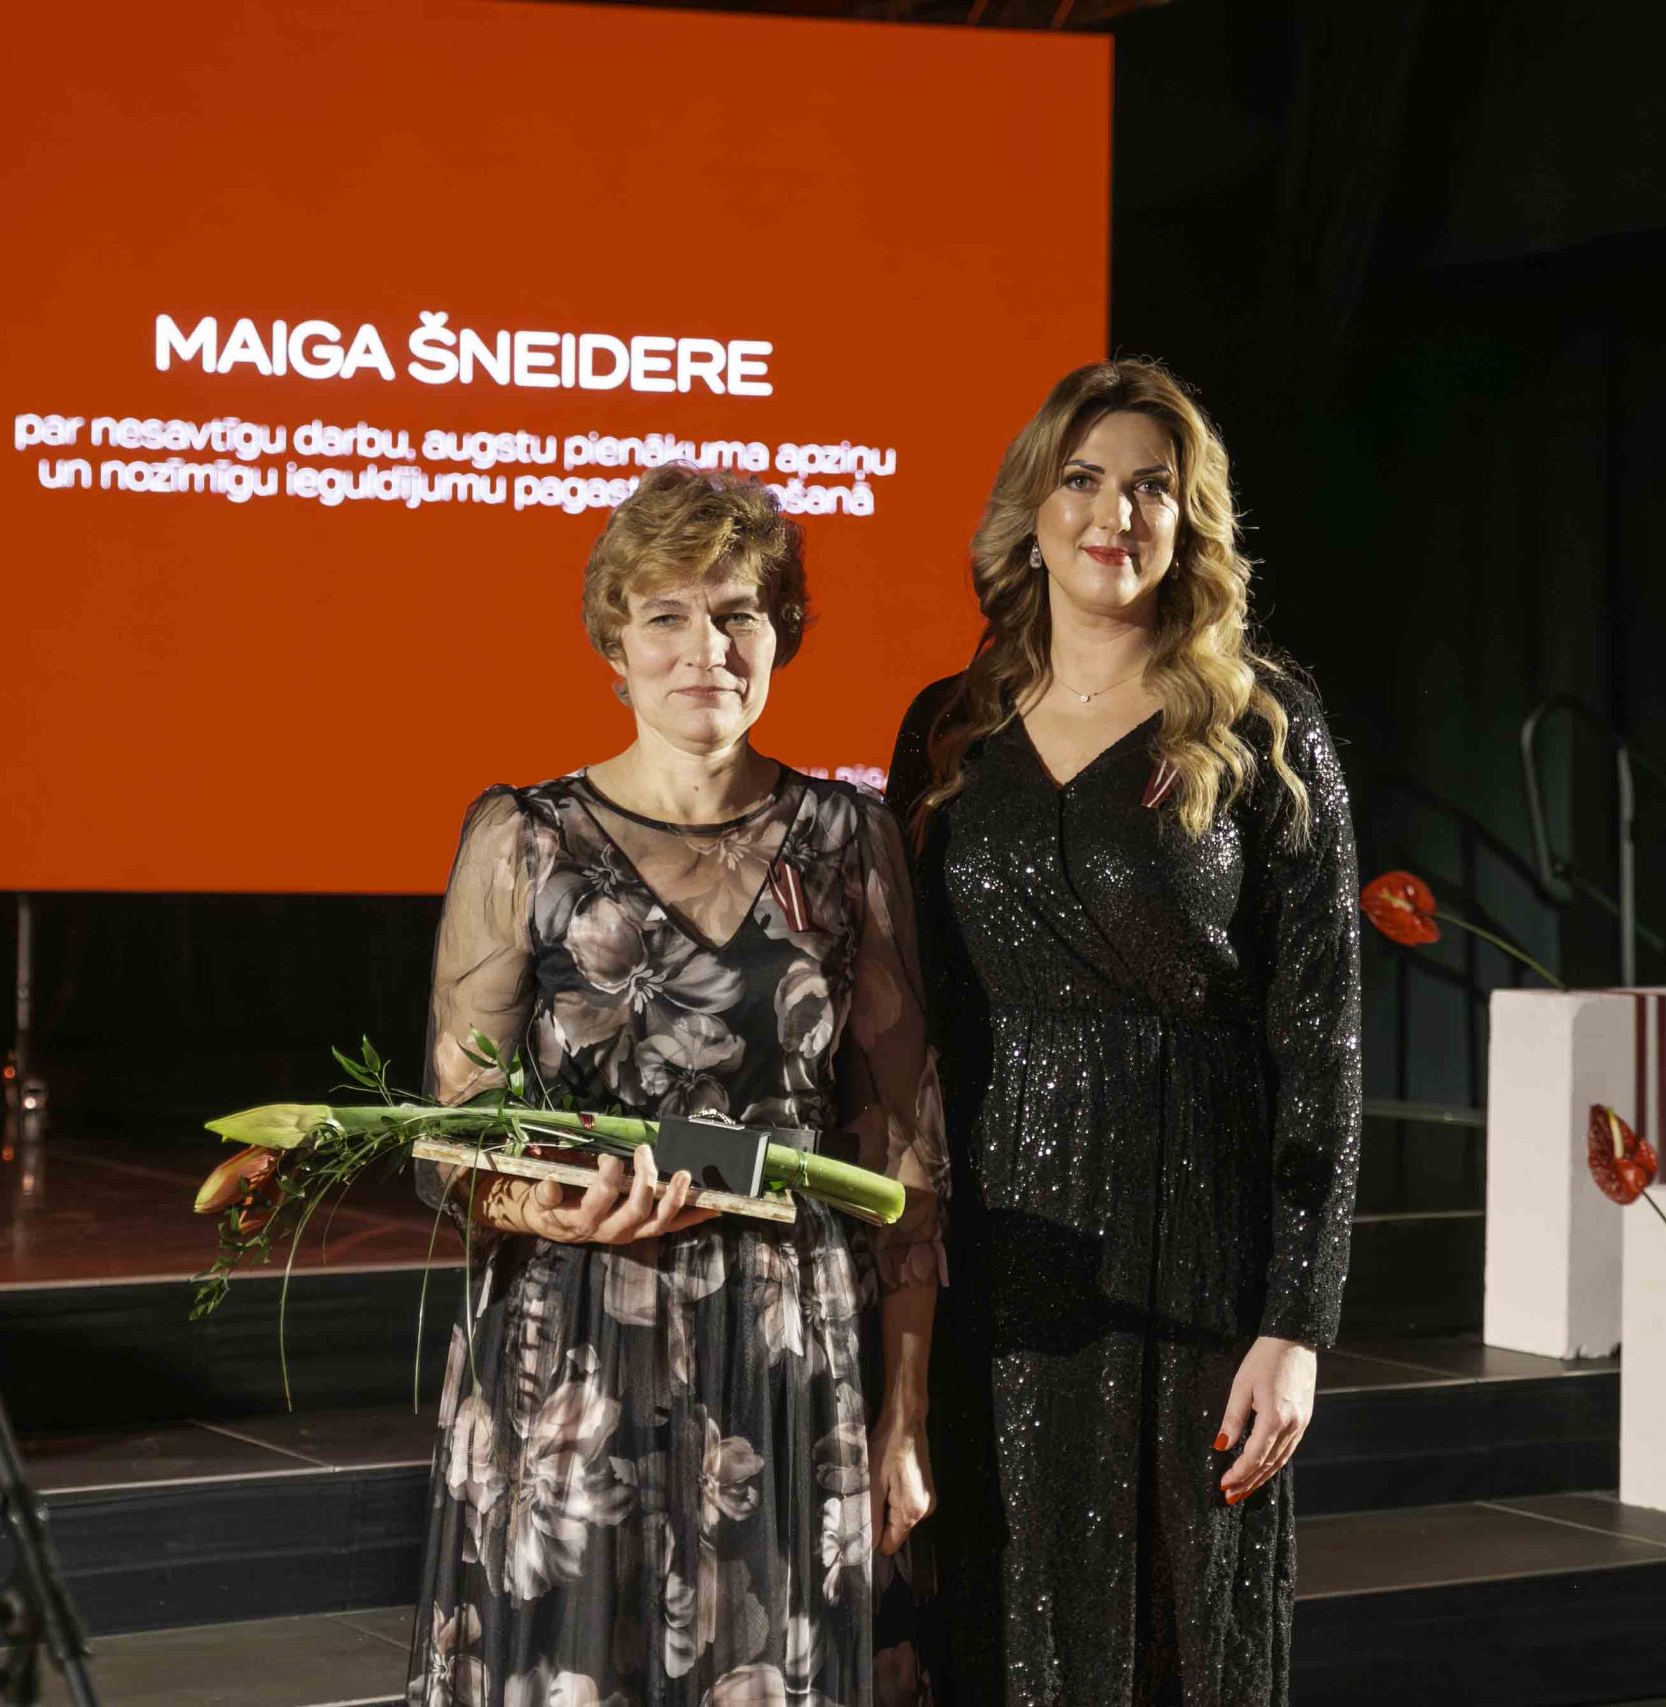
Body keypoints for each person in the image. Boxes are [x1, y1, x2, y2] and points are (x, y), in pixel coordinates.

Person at [408, 461, 948, 1707]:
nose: (706, 649)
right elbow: (448, 1139)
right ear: (615, 643)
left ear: (780, 635)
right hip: (570, 1334)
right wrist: (543, 1208)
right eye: (667, 616)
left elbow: (904, 1148)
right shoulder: (523, 839)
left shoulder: (846, 841)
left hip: (784, 1340)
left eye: (738, 614)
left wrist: (905, 1412)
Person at [886, 360, 1361, 1705]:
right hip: (1001, 1241)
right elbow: (908, 1010)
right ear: (1031, 514)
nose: (1117, 513)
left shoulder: (1264, 721)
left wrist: (1297, 1322)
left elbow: (1321, 1036)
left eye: (1153, 485)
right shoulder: (948, 727)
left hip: (1198, 1241)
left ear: (1188, 518)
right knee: (998, 1597)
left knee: (1184, 1614)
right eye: (1084, 480)